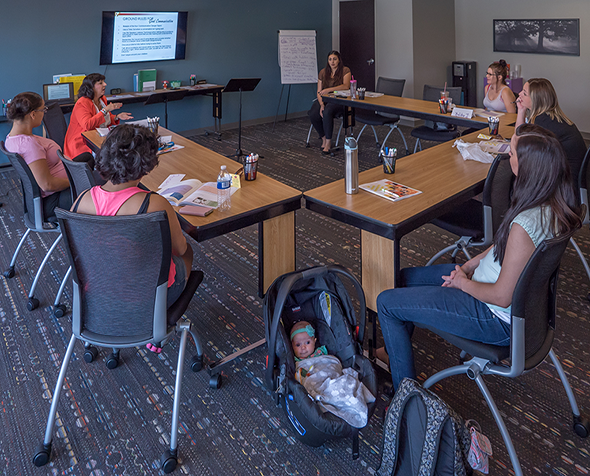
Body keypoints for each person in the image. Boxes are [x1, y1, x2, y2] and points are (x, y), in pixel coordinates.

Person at [377, 124, 581, 391]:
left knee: (386, 302)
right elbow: (504, 245)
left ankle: (406, 397)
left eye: (512, 152)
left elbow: (501, 296)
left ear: (528, 166)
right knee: (403, 278)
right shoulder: (551, 205)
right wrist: (469, 265)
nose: (507, 156)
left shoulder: (524, 225)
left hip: (493, 315)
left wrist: (463, 283)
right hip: (499, 296)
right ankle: (395, 349)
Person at [71, 124, 193, 320]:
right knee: (187, 251)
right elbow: (180, 249)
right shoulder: (155, 204)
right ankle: (160, 316)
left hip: (96, 296)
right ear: (147, 163)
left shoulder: (81, 200)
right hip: (147, 300)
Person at [290, 321, 375, 428]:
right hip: (314, 379)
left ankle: (344, 396)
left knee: (343, 381)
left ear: (314, 341)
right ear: (292, 346)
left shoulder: (321, 352)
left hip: (327, 371)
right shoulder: (296, 361)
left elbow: (331, 363)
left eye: (307, 343)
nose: (303, 347)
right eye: (298, 345)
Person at [4, 92, 72, 218]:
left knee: (87, 159)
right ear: (33, 114)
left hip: (50, 195)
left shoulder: (11, 138)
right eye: (43, 110)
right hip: (53, 200)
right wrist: (75, 181)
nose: (44, 113)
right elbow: (47, 185)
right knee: (99, 181)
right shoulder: (28, 145)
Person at [516, 78, 587, 183]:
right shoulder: (552, 117)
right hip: (573, 178)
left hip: (565, 184)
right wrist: (521, 110)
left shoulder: (543, 121)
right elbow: (520, 135)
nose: (519, 94)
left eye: (524, 93)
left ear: (536, 100)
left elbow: (519, 143)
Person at [64, 73, 133, 159]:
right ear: (91, 87)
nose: (105, 84)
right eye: (100, 83)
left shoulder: (102, 99)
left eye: (104, 82)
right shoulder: (82, 103)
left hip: (98, 137)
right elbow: (87, 125)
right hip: (82, 143)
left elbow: (104, 119)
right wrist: (105, 110)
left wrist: (117, 117)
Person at [308, 51, 352, 154]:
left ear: (339, 60)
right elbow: (319, 91)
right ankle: (323, 137)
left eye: (335, 59)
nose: (332, 62)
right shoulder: (323, 72)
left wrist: (329, 90)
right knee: (313, 113)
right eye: (330, 59)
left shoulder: (345, 70)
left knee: (327, 112)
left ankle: (328, 142)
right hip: (324, 99)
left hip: (338, 100)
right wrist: (321, 104)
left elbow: (346, 86)